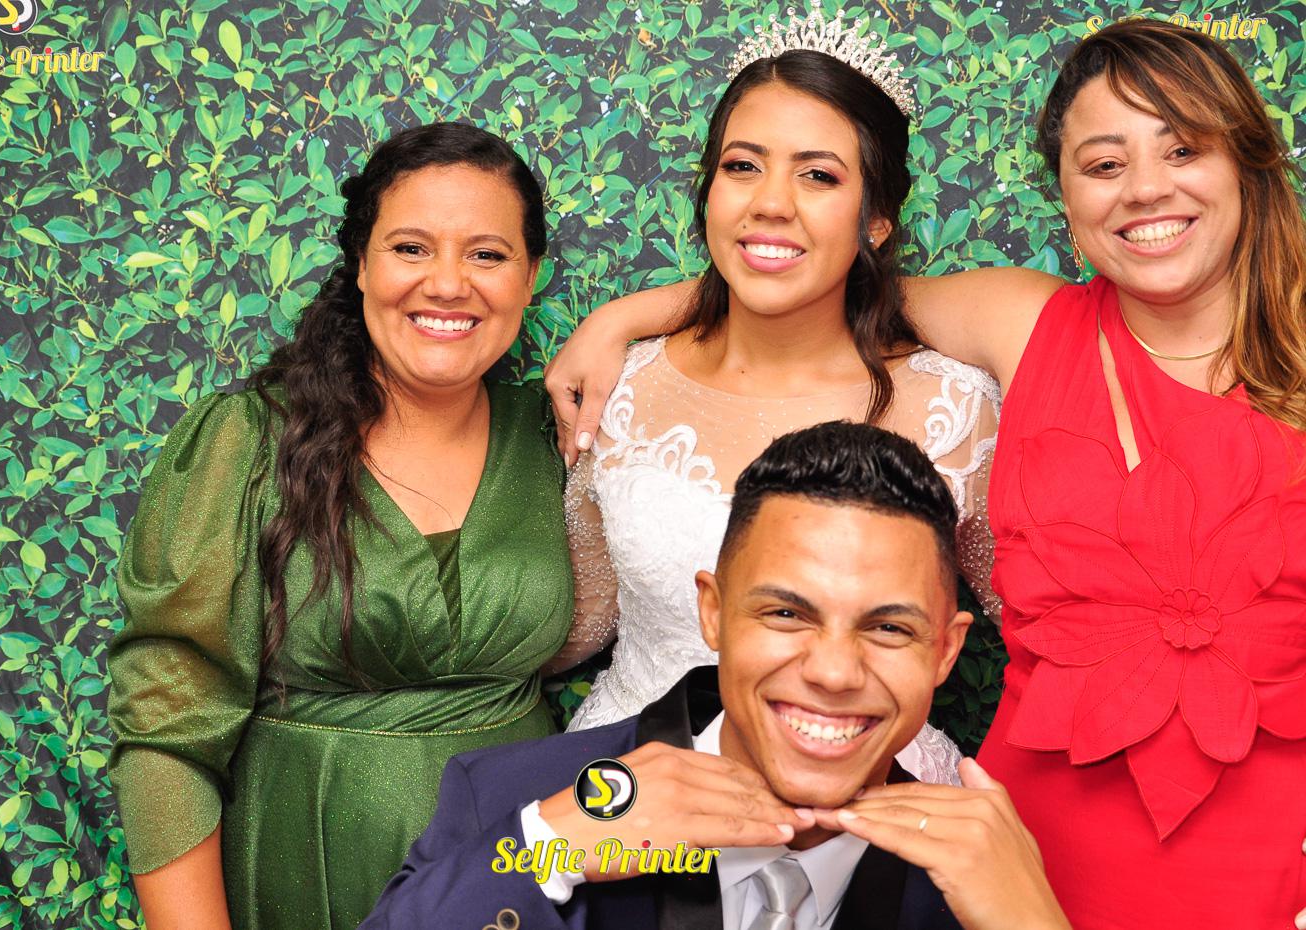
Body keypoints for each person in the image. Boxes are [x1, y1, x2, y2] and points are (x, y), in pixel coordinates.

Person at [547, 19, 1306, 930]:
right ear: (1066, 197)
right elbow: (811, 276)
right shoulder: (1024, 321)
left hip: (1262, 850)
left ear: (1249, 161)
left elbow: (823, 259)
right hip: (1018, 846)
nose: (1145, 188)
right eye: (1105, 164)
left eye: (1182, 149)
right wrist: (624, 321)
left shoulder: (990, 362)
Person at [106, 123, 573, 930]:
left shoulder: (557, 436)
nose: (448, 283)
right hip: (308, 875)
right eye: (411, 248)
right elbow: (167, 736)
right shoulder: (248, 440)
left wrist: (625, 320)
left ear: (531, 277)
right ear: (360, 263)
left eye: (488, 255)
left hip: (524, 880)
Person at [366, 421, 1070, 930]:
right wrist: (552, 848)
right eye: (787, 614)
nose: (833, 672)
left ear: (944, 651)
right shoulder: (515, 799)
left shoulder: (979, 885)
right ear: (714, 613)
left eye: (888, 628)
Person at [547, 8, 999, 794]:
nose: (770, 203)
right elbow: (577, 622)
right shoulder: (621, 387)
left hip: (869, 802)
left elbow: (1050, 629)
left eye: (818, 175)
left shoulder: (955, 409)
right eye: (742, 166)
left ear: (876, 221)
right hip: (632, 789)